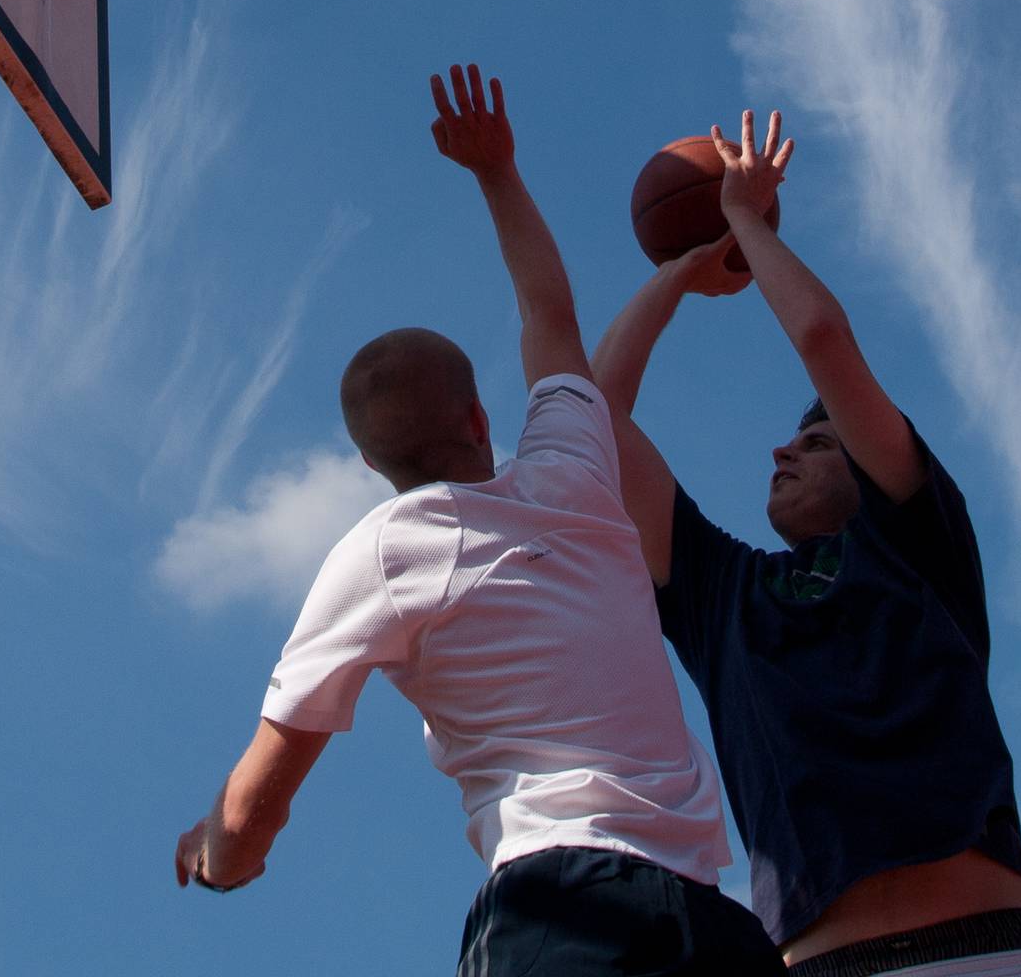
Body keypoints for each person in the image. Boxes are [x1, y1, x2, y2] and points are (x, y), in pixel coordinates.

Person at [172, 66, 779, 977]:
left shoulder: (383, 553)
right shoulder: (573, 473)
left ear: (372, 465)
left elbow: (259, 800)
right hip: (714, 925)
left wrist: (219, 858)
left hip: (560, 911)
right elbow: (549, 313)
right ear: (480, 418)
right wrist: (496, 170)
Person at [593, 111, 1021, 976]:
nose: (783, 450)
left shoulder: (918, 548)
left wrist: (742, 217)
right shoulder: (720, 595)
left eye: (818, 443)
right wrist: (679, 271)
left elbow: (822, 339)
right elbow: (587, 426)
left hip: (989, 949)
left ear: (871, 462)